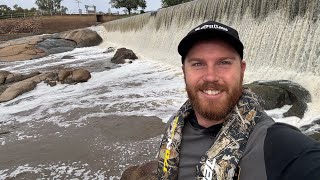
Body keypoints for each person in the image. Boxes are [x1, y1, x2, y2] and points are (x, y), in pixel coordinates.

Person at [157, 21, 320, 180]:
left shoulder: (275, 143)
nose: (211, 76)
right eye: (198, 64)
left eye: (224, 63)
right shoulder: (175, 128)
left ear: (242, 70)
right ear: (184, 71)